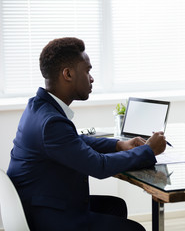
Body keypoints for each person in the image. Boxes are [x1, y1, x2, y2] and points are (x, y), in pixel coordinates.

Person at [7, 37, 167, 231]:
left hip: (41, 204)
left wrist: (118, 145)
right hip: (45, 218)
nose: (91, 78)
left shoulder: (38, 106)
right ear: (67, 74)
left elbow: (74, 141)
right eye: (88, 70)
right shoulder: (51, 122)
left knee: (115, 207)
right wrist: (148, 150)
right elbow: (99, 166)